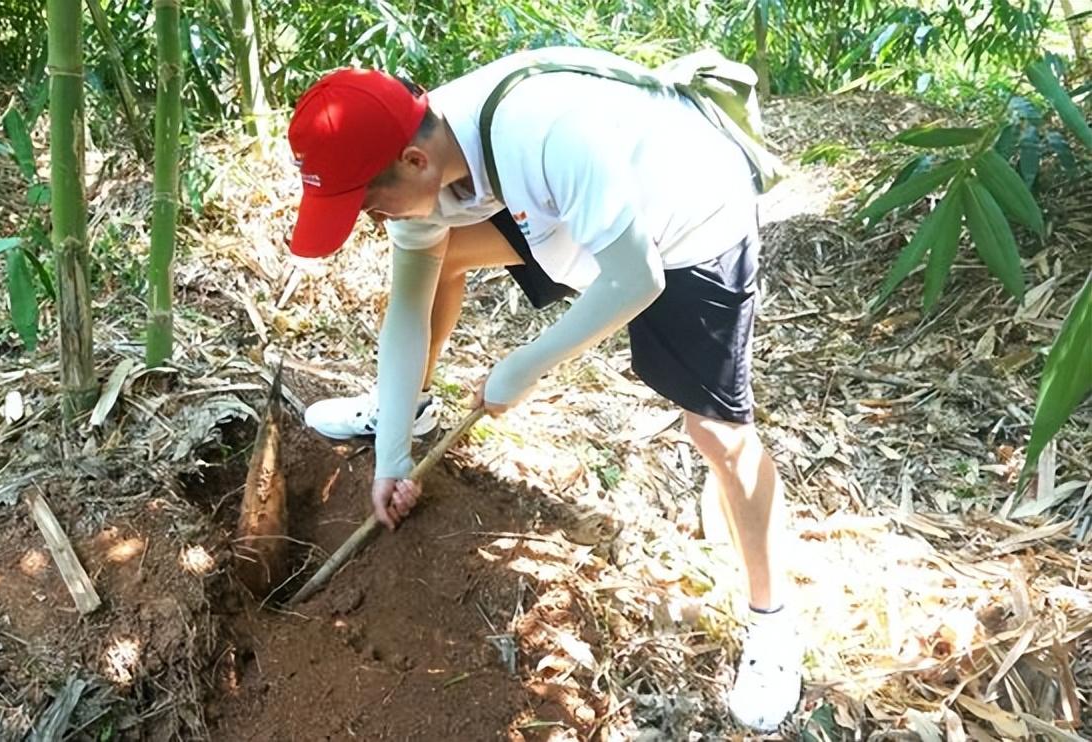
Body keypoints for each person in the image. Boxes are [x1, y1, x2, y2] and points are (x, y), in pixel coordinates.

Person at [284, 46, 799, 732]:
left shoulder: (542, 133)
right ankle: (405, 408)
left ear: (413, 163)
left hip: (683, 214)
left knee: (716, 432)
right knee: (432, 267)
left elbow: (636, 278)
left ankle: (773, 625)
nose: (373, 222)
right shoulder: (423, 161)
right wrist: (393, 458)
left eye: (369, 206)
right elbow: (408, 305)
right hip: (563, 215)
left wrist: (522, 368)